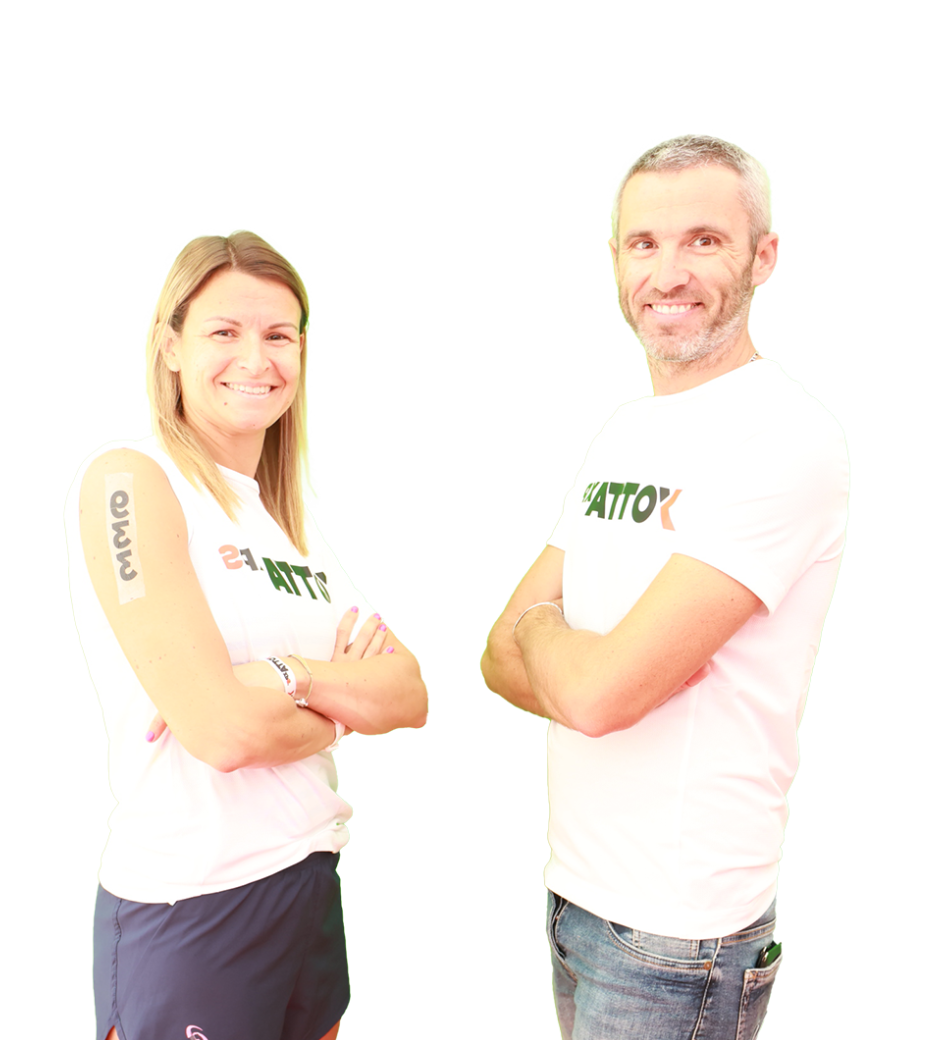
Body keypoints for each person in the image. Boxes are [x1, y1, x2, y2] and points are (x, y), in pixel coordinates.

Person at [479, 135, 849, 1038]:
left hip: (680, 935)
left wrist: (555, 640)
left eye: (704, 241)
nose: (668, 273)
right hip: (575, 896)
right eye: (643, 243)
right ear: (615, 259)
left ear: (763, 256)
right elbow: (495, 656)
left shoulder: (785, 436)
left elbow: (596, 698)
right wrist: (575, 657)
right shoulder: (625, 430)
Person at [67, 229, 430, 1040]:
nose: (255, 359)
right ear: (171, 348)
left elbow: (408, 693)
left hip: (308, 878)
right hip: (191, 905)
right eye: (224, 332)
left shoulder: (291, 522)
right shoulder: (129, 478)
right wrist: (338, 710)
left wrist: (286, 676)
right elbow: (224, 734)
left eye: (278, 335)